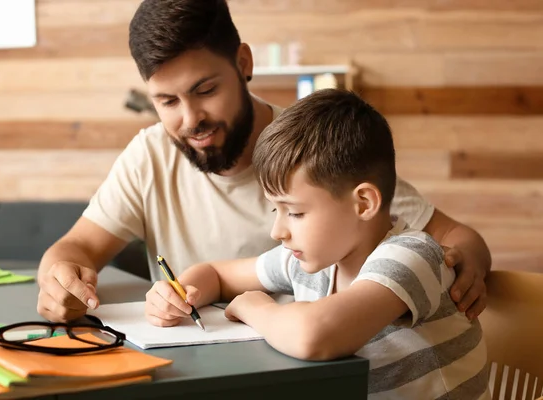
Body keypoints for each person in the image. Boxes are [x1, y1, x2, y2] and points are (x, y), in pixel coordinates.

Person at [36, 0, 490, 324]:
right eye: (167, 101)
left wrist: (464, 262)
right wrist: (60, 282)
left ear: (243, 62)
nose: (191, 119)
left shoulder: (311, 148)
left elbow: (457, 238)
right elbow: (74, 250)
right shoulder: (149, 154)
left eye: (206, 90)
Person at [144, 89, 491, 399]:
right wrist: (181, 291)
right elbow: (216, 274)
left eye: (294, 212)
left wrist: (254, 307)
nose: (277, 231)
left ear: (363, 204)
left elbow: (314, 335)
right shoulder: (309, 260)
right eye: (275, 210)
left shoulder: (411, 257)